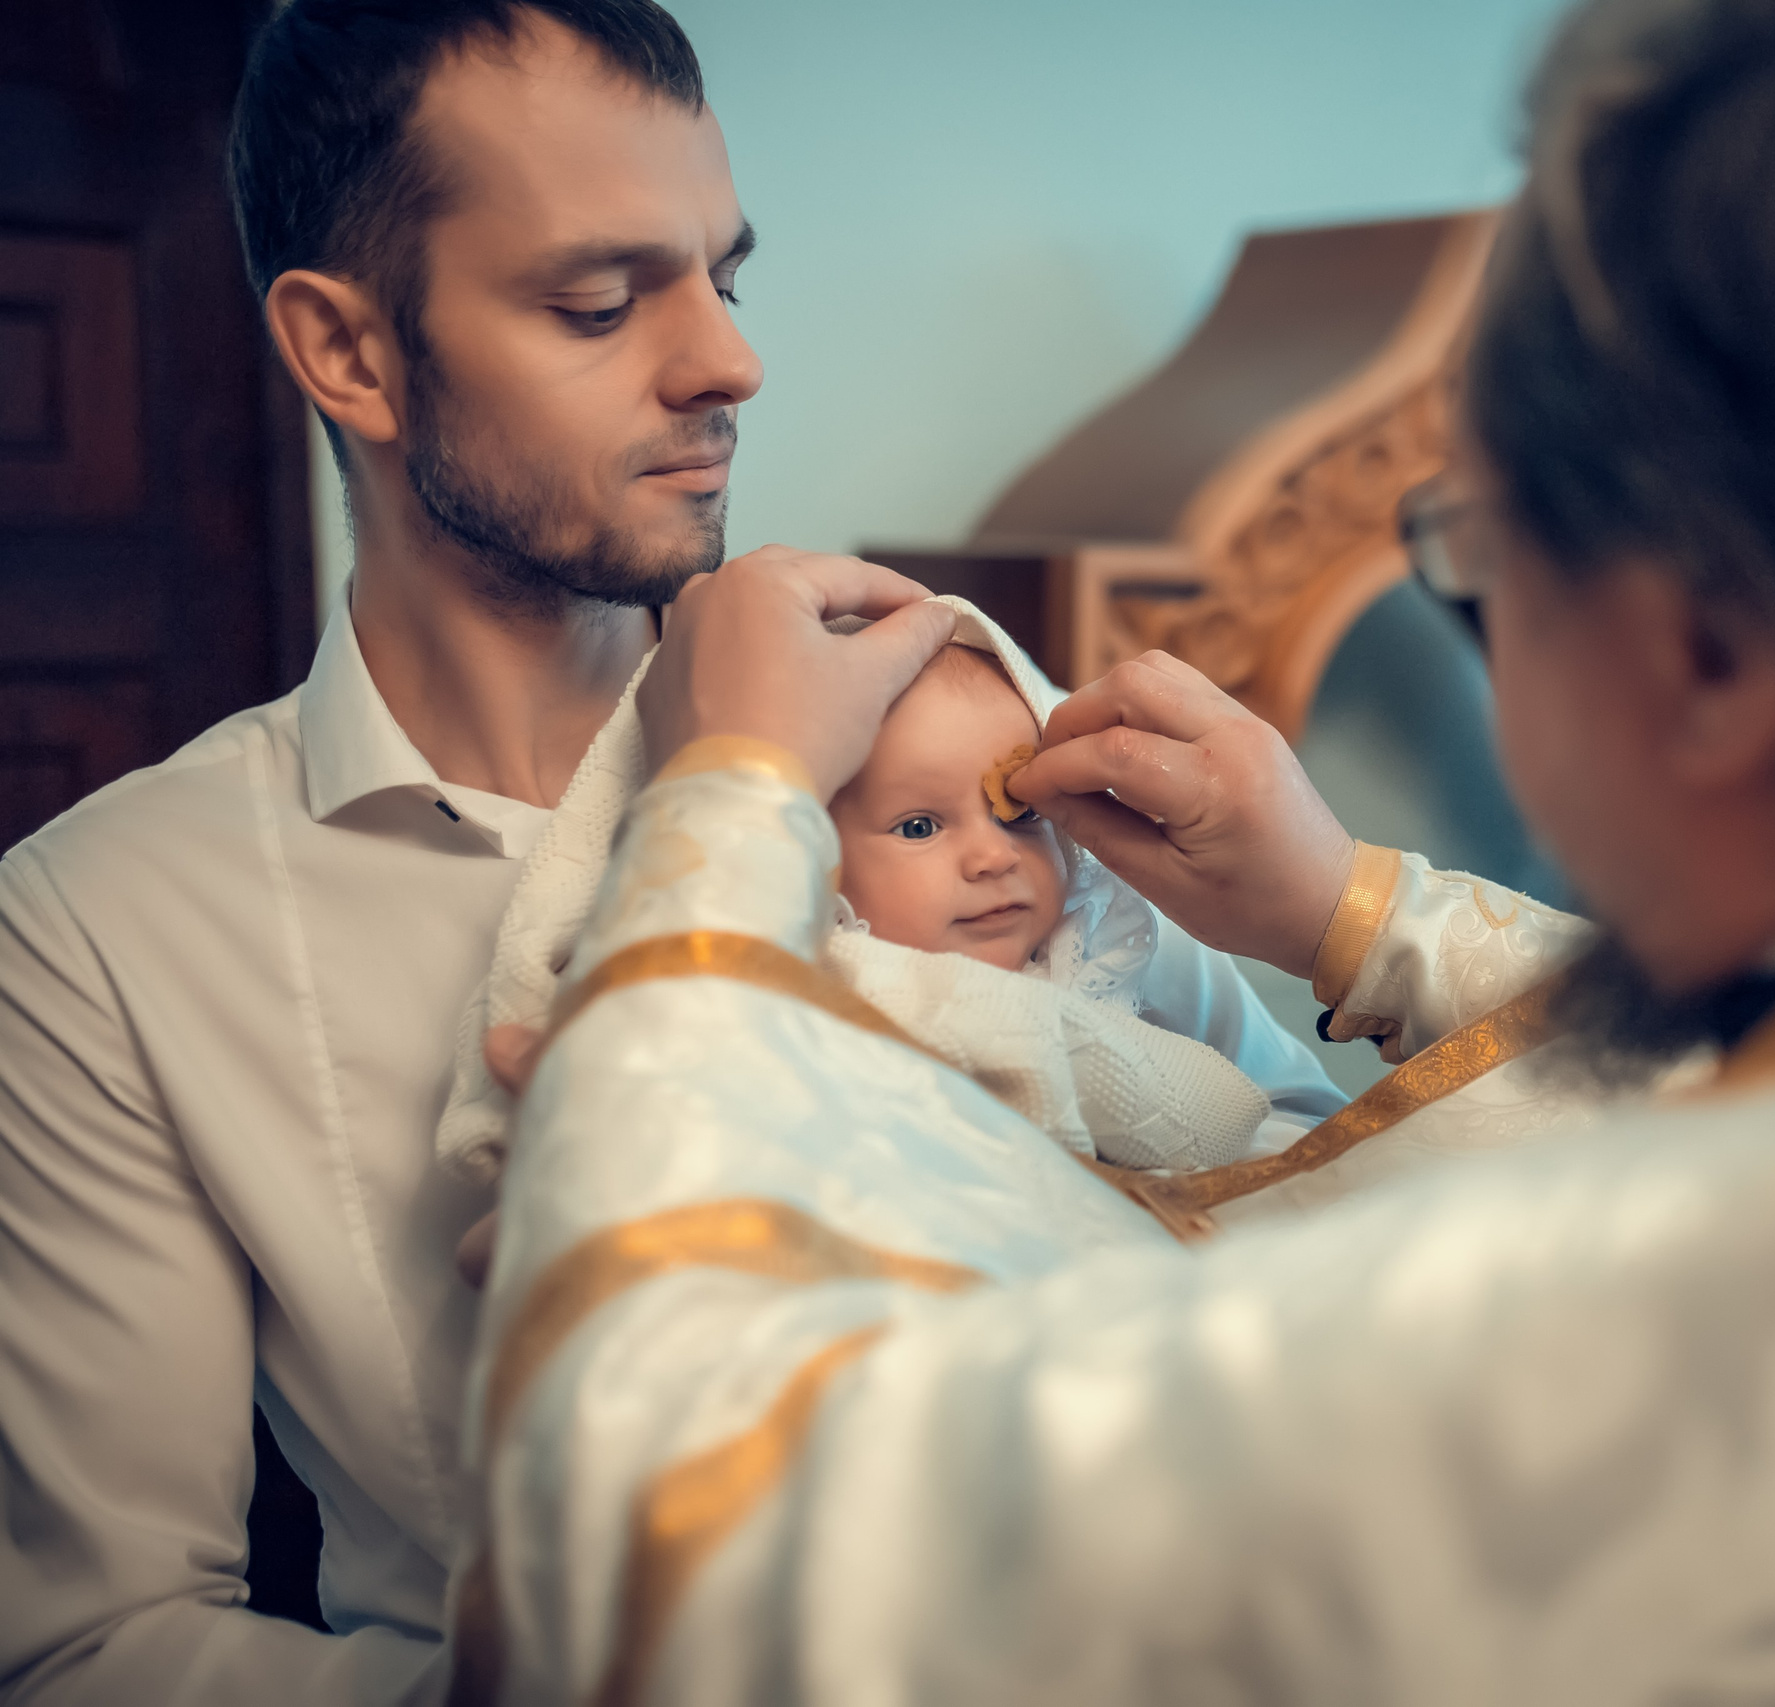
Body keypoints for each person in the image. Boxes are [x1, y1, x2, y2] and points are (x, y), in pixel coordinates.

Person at [457, 0, 1775, 1700]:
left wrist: (719, 828)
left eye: (1481, 558)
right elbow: (1758, 1066)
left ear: (1714, 653)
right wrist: (1332, 905)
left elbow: (697, 1545)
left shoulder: (1607, 1357)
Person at [0, 3, 1305, 1700]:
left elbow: (1296, 1164)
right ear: (351, 355)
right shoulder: (102, 927)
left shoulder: (943, 712)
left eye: (724, 276)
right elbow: (95, 1645)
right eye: (599, 303)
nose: (728, 363)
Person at [436, 597, 1345, 1210]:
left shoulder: (1104, 949)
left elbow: (1244, 1117)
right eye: (918, 827)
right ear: (806, 859)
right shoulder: (827, 982)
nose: (992, 857)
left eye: (1018, 812)